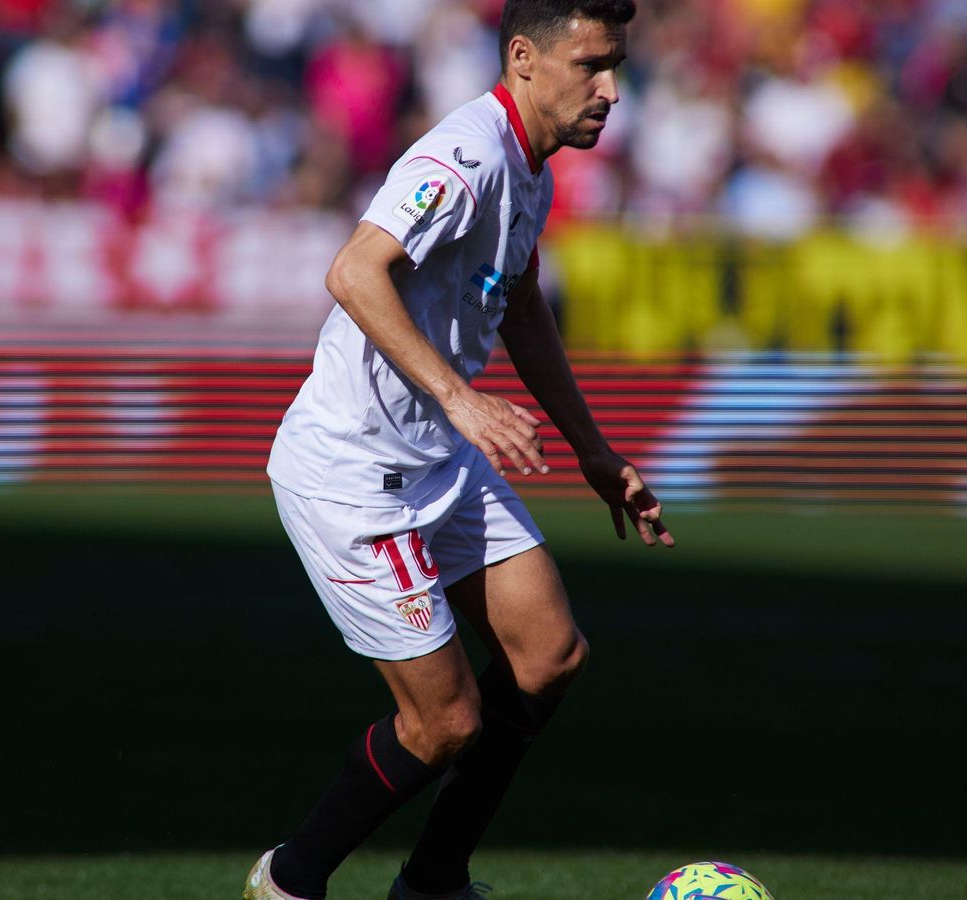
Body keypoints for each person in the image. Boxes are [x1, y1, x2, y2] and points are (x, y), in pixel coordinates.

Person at [247, 2, 668, 899]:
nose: (611, 89)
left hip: (435, 455)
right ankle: (287, 881)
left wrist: (592, 449)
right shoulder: (466, 156)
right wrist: (460, 397)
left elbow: (517, 302)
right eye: (591, 64)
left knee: (550, 655)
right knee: (445, 725)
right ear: (523, 58)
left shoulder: (532, 165)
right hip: (356, 474)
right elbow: (354, 270)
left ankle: (433, 881)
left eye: (616, 65)